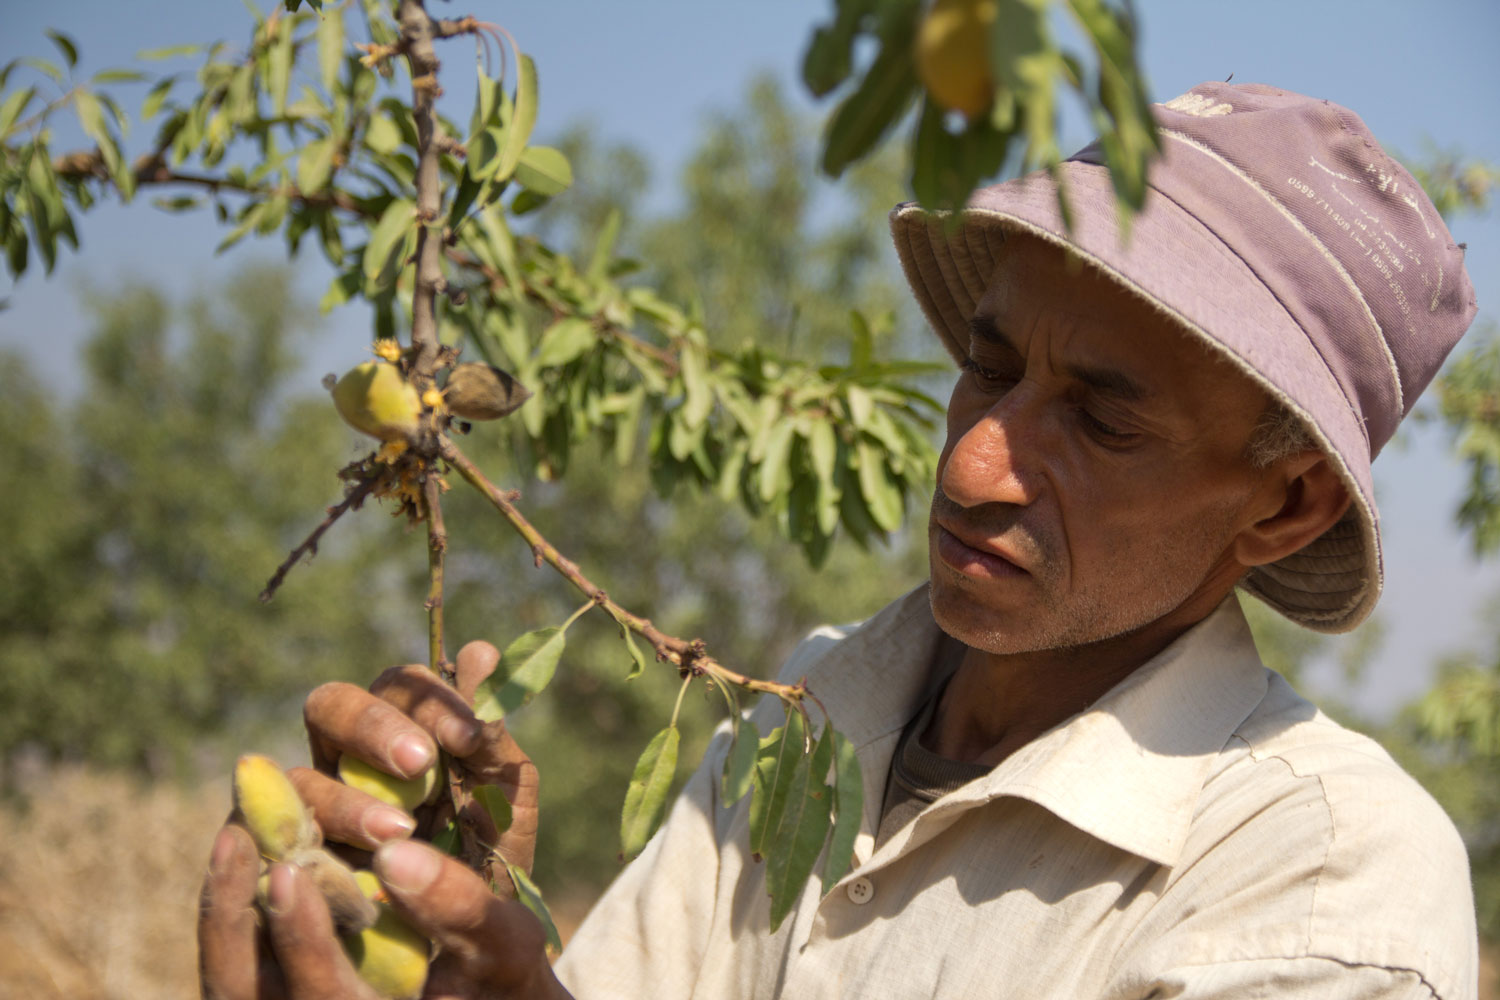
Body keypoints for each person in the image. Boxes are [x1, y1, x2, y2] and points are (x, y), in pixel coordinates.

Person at [199, 81, 1481, 999]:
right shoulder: (805, 717)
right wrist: (473, 949)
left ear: (1285, 504)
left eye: (1100, 420)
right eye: (987, 370)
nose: (974, 466)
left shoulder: (1321, 884)